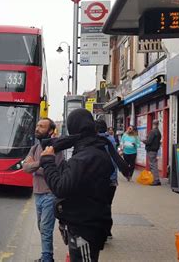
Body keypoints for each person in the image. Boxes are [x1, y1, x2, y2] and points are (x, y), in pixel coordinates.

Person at [40, 109, 119, 262]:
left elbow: (61, 187)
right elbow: (76, 181)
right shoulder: (94, 149)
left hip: (84, 228)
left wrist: (48, 162)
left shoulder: (85, 157)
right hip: (88, 223)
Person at [23, 118, 63, 262]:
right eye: (37, 125)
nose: (37, 128)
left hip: (49, 194)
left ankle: (47, 259)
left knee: (45, 228)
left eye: (42, 126)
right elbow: (25, 168)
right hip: (38, 193)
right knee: (41, 227)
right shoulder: (35, 148)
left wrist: (34, 165)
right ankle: (47, 256)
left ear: (50, 131)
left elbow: (52, 171)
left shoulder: (55, 148)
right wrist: (42, 162)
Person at [95, 120, 131, 241]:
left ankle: (100, 231)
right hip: (112, 178)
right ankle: (107, 231)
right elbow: (115, 157)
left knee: (98, 205)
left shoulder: (94, 140)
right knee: (107, 205)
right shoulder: (110, 139)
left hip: (99, 178)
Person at [142, 120, 162, 186]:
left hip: (151, 150)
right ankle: (155, 179)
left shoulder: (152, 132)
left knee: (153, 165)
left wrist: (143, 141)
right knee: (154, 164)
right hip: (155, 150)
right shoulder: (158, 132)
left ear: (153, 124)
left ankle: (156, 180)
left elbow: (149, 142)